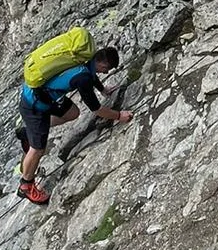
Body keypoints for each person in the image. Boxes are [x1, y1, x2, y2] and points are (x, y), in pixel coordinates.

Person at [14, 46, 134, 205]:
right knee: (38, 149)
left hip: (43, 94)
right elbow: (96, 109)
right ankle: (26, 185)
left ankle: (29, 130)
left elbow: (91, 75)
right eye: (107, 70)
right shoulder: (82, 77)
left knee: (72, 113)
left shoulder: (85, 57)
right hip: (33, 104)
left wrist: (103, 89)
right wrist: (119, 116)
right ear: (103, 65)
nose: (105, 73)